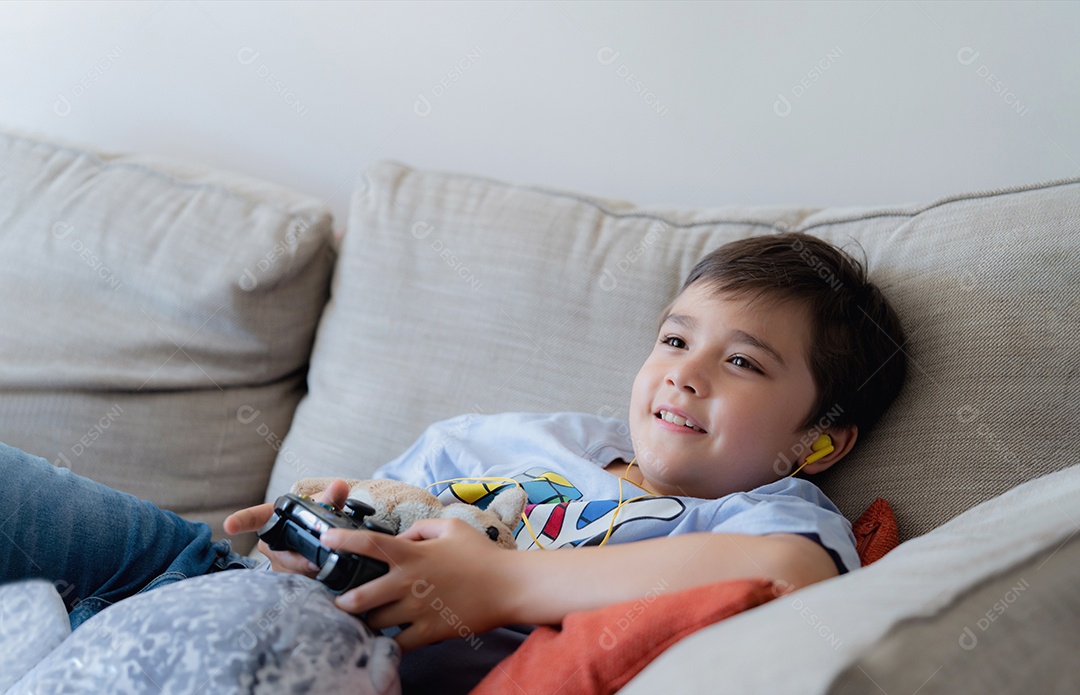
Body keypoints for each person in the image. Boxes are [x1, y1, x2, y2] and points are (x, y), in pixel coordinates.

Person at [1, 232, 905, 688]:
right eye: (675, 337)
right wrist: (317, 526)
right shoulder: (529, 435)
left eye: (743, 360)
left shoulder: (762, 514)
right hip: (200, 572)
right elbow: (388, 501)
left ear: (815, 441)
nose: (685, 372)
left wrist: (500, 583)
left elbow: (790, 573)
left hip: (338, 656)